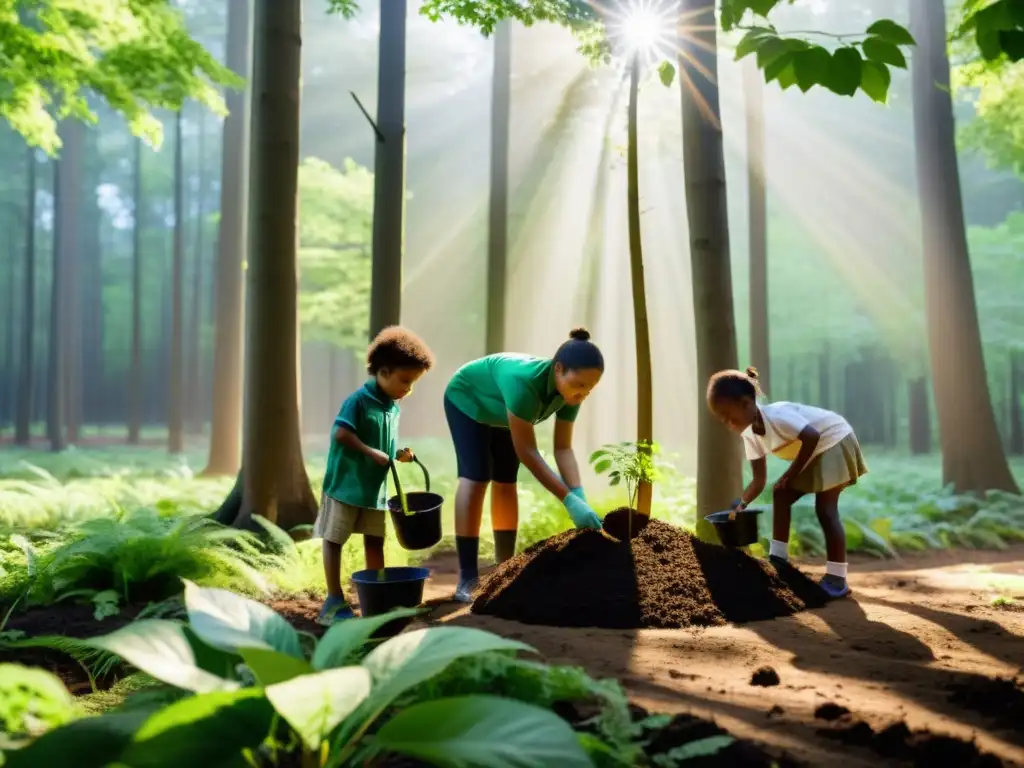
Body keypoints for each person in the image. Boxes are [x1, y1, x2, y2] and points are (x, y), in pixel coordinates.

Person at [444, 328, 605, 602]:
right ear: (558, 369)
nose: (583, 393)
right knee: (477, 478)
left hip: (505, 412)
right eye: (580, 385)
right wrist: (567, 499)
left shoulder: (571, 393)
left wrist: (579, 495)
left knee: (506, 481)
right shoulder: (524, 384)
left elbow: (563, 448)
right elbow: (528, 452)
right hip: (469, 400)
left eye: (591, 388)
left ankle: (504, 569)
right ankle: (467, 578)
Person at [705, 367, 867, 599]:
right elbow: (759, 480)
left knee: (825, 509)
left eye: (731, 417)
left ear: (746, 403)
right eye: (723, 420)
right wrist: (740, 504)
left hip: (835, 439)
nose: (729, 424)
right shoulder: (750, 437)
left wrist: (789, 476)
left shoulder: (777, 415)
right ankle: (779, 561)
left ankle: (837, 578)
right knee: (780, 494)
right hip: (813, 451)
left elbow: (812, 436)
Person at [315, 326, 435, 624]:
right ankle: (333, 600)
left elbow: (387, 446)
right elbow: (341, 433)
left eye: (413, 383)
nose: (408, 389)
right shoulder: (358, 401)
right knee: (334, 539)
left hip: (374, 490)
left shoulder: (392, 408)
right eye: (404, 380)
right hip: (345, 486)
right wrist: (370, 452)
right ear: (383, 372)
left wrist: (399, 455)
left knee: (374, 540)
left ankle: (376, 598)